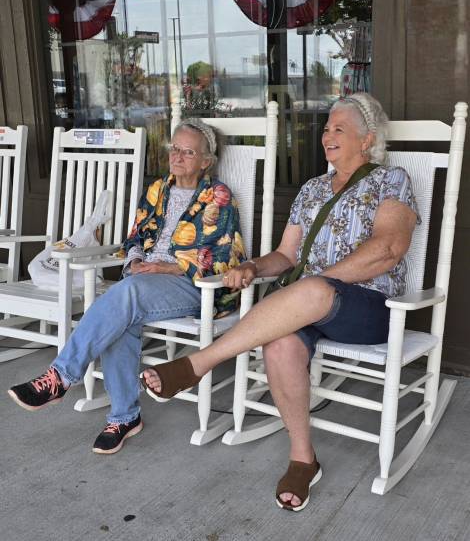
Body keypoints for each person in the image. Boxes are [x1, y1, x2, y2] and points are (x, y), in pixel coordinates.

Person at [141, 93, 421, 511]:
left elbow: (388, 249)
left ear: (367, 139)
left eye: (339, 129)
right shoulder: (312, 189)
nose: (327, 135)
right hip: (305, 303)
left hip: (368, 306)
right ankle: (303, 459)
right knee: (279, 344)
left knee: (312, 289)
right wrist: (252, 266)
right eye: (326, 128)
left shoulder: (391, 180)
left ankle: (199, 363)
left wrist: (319, 283)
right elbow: (287, 255)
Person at [8, 119, 246, 454]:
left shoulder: (218, 197)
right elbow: (134, 237)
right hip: (144, 282)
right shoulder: (158, 189)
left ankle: (60, 377)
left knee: (125, 295)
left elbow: (223, 256)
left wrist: (167, 266)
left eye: (188, 152)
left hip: (190, 284)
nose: (177, 156)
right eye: (174, 148)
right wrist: (134, 260)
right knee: (122, 314)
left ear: (206, 161)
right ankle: (124, 417)